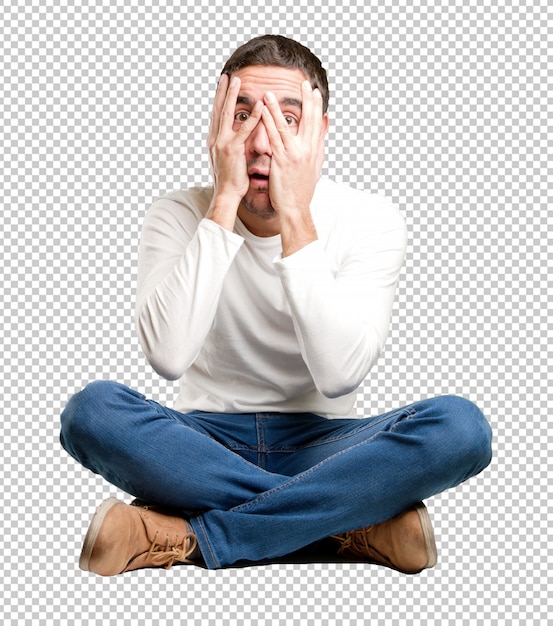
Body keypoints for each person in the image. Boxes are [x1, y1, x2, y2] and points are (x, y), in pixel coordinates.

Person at [60, 35, 492, 576]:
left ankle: (191, 536)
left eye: (287, 119)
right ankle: (348, 522)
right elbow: (168, 357)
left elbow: (339, 375)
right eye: (242, 116)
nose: (263, 143)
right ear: (216, 128)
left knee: (460, 429)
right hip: (198, 444)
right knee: (92, 413)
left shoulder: (370, 218)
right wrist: (222, 202)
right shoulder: (176, 212)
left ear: (319, 134)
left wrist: (294, 218)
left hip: (328, 444)